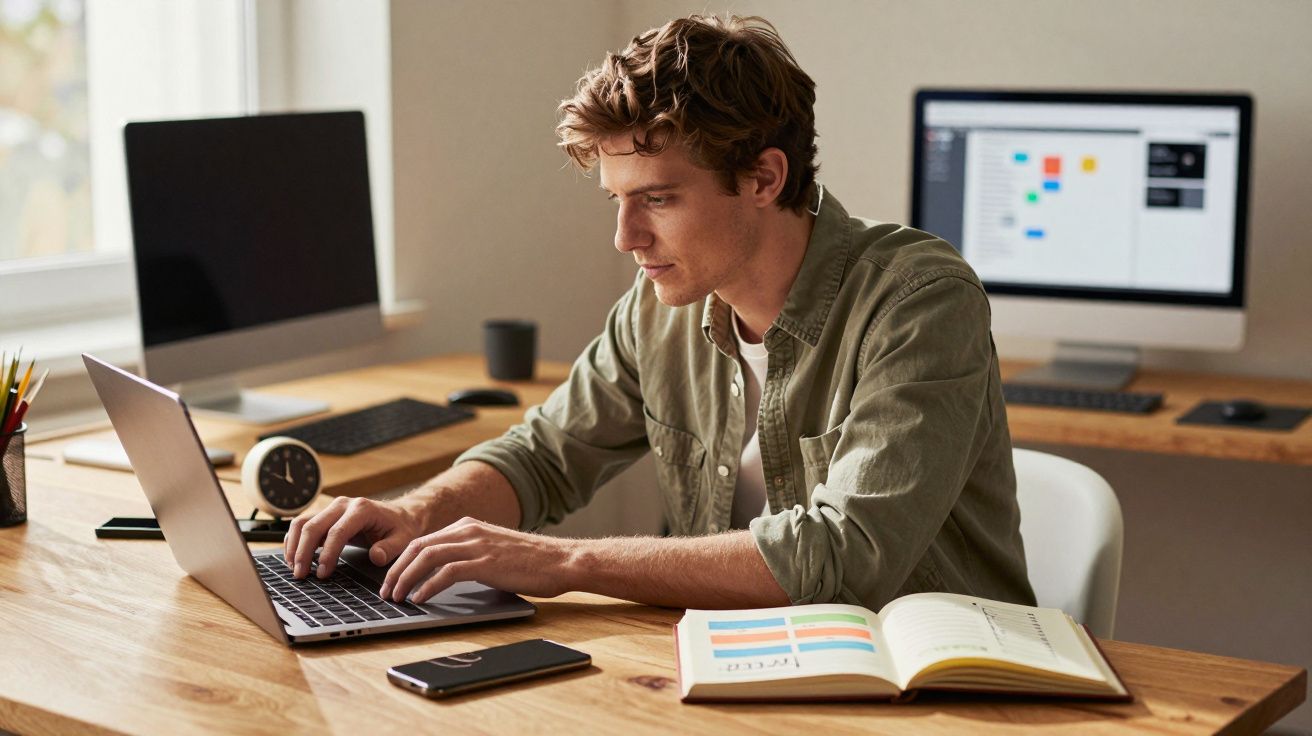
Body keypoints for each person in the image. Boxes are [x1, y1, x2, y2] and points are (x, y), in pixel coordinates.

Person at [285, 14, 1035, 612]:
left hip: (933, 687)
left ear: (764, 177)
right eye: (618, 200)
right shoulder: (658, 308)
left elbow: (844, 553)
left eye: (658, 199)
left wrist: (567, 562)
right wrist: (419, 512)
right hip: (736, 670)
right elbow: (544, 455)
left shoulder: (918, 300)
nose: (626, 237)